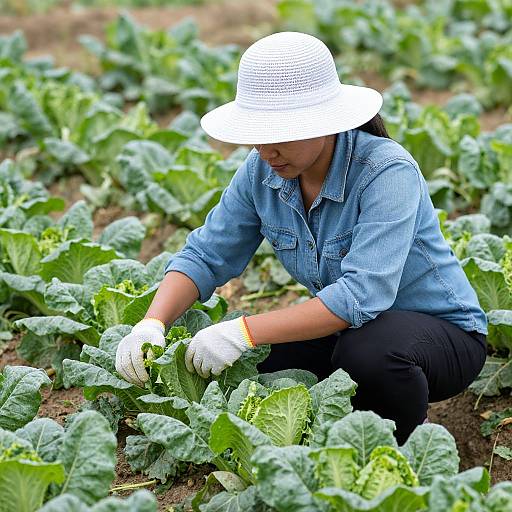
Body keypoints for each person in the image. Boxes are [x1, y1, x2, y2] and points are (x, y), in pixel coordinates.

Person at [115, 32, 488, 444]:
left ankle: (402, 442)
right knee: (258, 362)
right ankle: (341, 427)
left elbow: (361, 295)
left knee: (365, 354)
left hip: (443, 337)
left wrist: (244, 330)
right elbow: (206, 254)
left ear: (326, 123)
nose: (267, 150)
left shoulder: (386, 171)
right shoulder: (262, 171)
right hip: (350, 327)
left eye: (282, 133)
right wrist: (151, 322)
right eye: (258, 133)